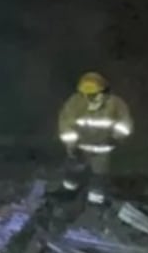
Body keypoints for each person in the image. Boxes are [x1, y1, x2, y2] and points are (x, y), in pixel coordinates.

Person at [57, 71, 133, 204]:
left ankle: (95, 202)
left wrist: (116, 138)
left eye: (93, 95)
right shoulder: (75, 103)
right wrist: (72, 145)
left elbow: (124, 123)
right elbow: (65, 123)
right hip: (80, 148)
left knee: (99, 176)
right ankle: (68, 193)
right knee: (72, 172)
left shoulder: (115, 104)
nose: (89, 99)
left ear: (103, 92)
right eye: (85, 95)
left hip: (103, 148)